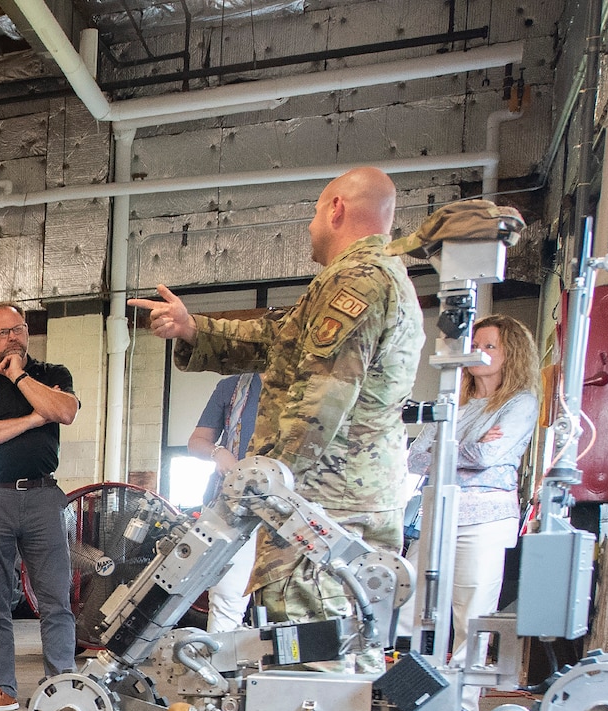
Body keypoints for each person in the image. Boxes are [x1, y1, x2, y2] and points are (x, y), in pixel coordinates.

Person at [130, 167, 424, 669]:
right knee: (343, 650)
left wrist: (268, 489)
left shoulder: (357, 280)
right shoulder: (364, 280)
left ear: (336, 209)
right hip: (340, 503)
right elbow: (276, 339)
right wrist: (193, 328)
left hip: (322, 506)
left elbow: (319, 406)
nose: (310, 226)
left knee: (319, 659)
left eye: (314, 212)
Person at [0, 304, 81, 711]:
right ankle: (2, 686)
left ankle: (60, 683)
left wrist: (20, 376)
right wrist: (29, 420)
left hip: (43, 497)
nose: (12, 337)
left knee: (55, 598)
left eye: (18, 329)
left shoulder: (53, 374)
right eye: (2, 332)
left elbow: (64, 411)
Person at [407, 313, 540, 653]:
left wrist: (448, 450)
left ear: (511, 353)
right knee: (414, 608)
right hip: (436, 517)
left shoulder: (520, 402)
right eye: (475, 345)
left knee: (472, 615)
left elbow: (488, 457)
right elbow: (416, 458)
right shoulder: (453, 404)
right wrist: (473, 446)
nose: (479, 352)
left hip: (484, 522)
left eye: (490, 346)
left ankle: (463, 699)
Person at [186, 372, 264, 632]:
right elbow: (196, 442)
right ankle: (221, 668)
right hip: (234, 506)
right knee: (227, 598)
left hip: (291, 506)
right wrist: (218, 453)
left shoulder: (310, 386)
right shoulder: (233, 388)